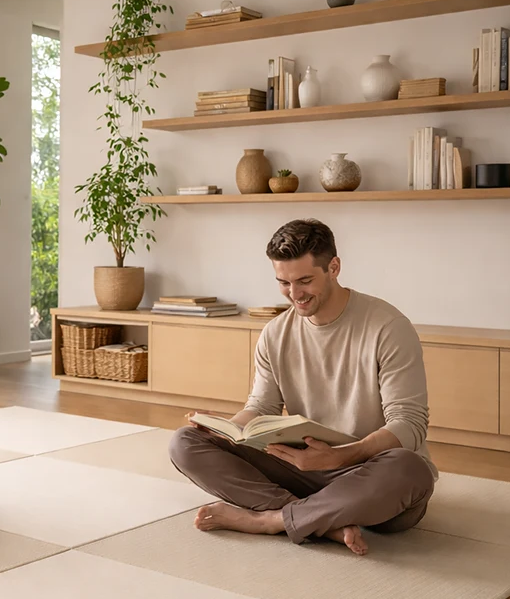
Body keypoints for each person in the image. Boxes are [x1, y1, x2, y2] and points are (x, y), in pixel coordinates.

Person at [168, 218, 437, 555]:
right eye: (283, 282)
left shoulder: (388, 327)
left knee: (410, 470)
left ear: (334, 267)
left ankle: (270, 520)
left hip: (366, 472)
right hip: (301, 469)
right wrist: (223, 429)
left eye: (305, 281)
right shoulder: (275, 334)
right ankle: (319, 520)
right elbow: (261, 408)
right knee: (184, 442)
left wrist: (340, 456)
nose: (294, 295)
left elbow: (409, 423)